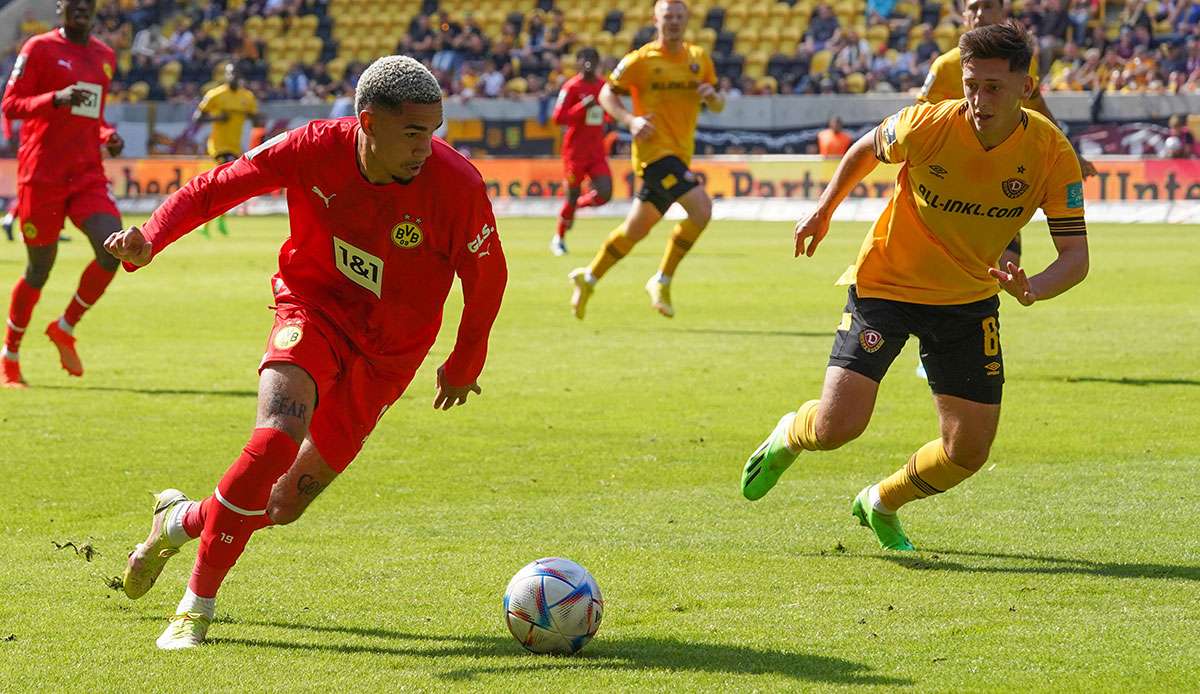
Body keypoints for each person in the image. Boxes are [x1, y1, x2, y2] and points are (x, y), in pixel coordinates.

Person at [108, 56, 508, 649]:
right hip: (311, 310)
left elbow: (488, 277)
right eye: (414, 132)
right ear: (368, 122)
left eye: (435, 131)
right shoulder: (310, 147)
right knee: (274, 438)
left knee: (282, 503)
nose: (428, 146)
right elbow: (214, 189)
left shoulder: (458, 185)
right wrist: (151, 239)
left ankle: (179, 521)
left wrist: (465, 360)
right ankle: (196, 605)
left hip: (390, 355)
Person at [740, 22, 1089, 552]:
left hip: (968, 302)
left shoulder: (1051, 153)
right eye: (972, 83)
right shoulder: (927, 124)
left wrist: (1033, 287)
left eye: (994, 86)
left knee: (968, 451)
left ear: (1027, 86)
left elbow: (1076, 257)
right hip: (887, 284)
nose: (979, 98)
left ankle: (880, 500)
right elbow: (862, 150)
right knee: (837, 429)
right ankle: (792, 431)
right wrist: (823, 209)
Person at [912, 0, 1095, 379]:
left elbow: (1038, 106)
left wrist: (1071, 152)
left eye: (988, 7)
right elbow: (917, 122)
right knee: (961, 265)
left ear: (1003, 13)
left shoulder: (1023, 64)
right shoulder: (946, 66)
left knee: (999, 266)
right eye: (973, 8)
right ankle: (943, 342)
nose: (980, 15)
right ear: (963, 16)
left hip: (1007, 180)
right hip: (953, 185)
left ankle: (965, 341)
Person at [569, 0, 724, 319]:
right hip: (654, 154)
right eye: (668, 16)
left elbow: (719, 105)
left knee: (634, 231)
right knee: (702, 209)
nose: (674, 22)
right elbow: (606, 94)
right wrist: (630, 121)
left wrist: (713, 97)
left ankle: (589, 276)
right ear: (656, 20)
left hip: (680, 155)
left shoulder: (699, 59)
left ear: (687, 19)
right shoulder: (640, 60)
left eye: (679, 16)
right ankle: (662, 278)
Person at [1, 0, 125, 388]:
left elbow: (95, 115)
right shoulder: (38, 49)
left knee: (112, 250)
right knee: (40, 269)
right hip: (42, 175)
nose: (81, 10)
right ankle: (10, 356)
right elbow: (10, 104)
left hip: (86, 172)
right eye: (74, 5)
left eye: (87, 5)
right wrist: (53, 99)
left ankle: (65, 326)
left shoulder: (104, 56)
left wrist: (108, 135)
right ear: (61, 9)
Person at [550, 47, 612, 256]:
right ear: (577, 62)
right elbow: (558, 118)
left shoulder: (604, 86)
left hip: (596, 151)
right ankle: (559, 238)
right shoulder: (571, 87)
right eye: (584, 59)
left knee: (605, 193)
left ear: (598, 63)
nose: (588, 63)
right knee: (572, 195)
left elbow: (609, 115)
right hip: (575, 152)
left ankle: (574, 208)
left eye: (592, 59)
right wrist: (582, 107)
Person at [192, 62, 262, 237]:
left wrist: (254, 117)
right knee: (225, 184)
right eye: (230, 73)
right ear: (226, 75)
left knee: (223, 186)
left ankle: (208, 223)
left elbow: (257, 123)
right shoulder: (215, 95)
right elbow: (197, 118)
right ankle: (214, 221)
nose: (233, 77)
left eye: (236, 73)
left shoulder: (247, 97)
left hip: (235, 147)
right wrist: (217, 118)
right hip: (218, 146)